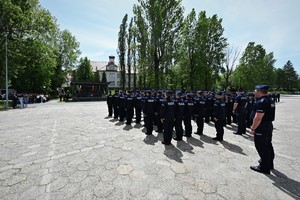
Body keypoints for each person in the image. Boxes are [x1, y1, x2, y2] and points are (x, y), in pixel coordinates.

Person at [250, 85, 275, 174]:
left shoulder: (262, 101)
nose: (254, 92)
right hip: (268, 125)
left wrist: (253, 128)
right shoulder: (269, 99)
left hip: (261, 126)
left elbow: (258, 118)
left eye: (255, 91)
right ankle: (269, 163)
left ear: (259, 92)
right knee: (268, 145)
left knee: (262, 147)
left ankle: (264, 167)